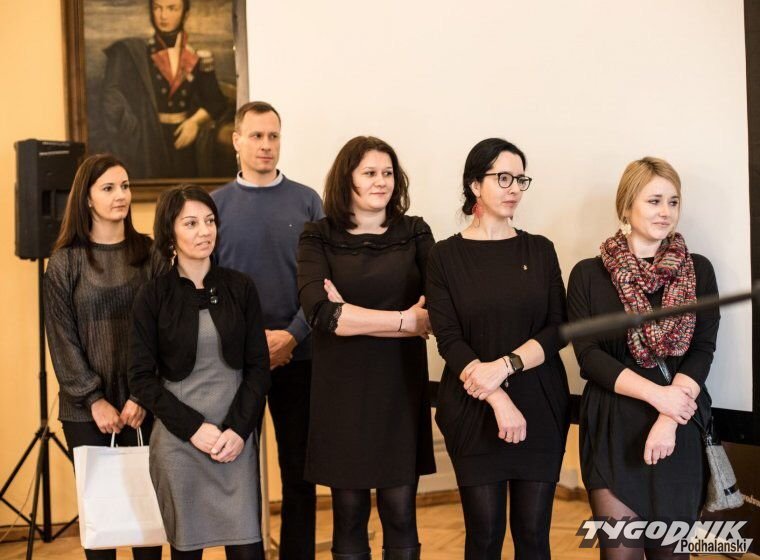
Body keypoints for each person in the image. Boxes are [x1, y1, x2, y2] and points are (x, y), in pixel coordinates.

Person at [567, 157, 719, 559]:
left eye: (673, 201)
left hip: (678, 426)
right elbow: (588, 357)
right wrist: (658, 396)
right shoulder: (587, 275)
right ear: (626, 205)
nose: (665, 211)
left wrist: (668, 417)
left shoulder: (698, 271)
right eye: (654, 201)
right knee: (620, 554)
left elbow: (702, 349)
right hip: (612, 427)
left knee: (672, 554)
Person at [425, 138, 570, 560]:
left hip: (541, 404)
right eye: (503, 178)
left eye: (520, 179)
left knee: (533, 536)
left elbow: (558, 330)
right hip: (473, 407)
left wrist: (505, 366)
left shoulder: (539, 249)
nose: (514, 189)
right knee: (485, 536)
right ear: (475, 184)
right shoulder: (444, 256)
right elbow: (449, 338)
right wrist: (498, 397)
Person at [297, 136, 436, 560]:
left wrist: (353, 318)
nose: (381, 182)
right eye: (370, 173)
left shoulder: (415, 232)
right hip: (342, 392)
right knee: (349, 514)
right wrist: (403, 321)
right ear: (347, 179)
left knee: (400, 512)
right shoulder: (317, 236)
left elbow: (434, 315)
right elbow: (322, 315)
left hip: (399, 389)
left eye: (388, 173)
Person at [129, 185, 270, 559]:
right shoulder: (153, 296)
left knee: (248, 550)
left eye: (209, 221)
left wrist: (238, 430)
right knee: (187, 552)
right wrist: (193, 428)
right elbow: (141, 378)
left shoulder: (240, 287)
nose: (204, 231)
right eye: (191, 223)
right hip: (180, 443)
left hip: (235, 440)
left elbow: (259, 367)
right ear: (170, 233)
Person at [212, 101, 324, 559]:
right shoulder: (215, 206)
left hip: (301, 355)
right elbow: (209, 287)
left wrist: (292, 335)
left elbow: (322, 282)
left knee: (300, 471)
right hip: (238, 362)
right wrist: (253, 343)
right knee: (236, 471)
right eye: (256, 135)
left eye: (273, 136)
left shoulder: (307, 201)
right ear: (236, 140)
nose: (265, 145)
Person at [44, 153, 162, 560]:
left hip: (143, 405)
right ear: (87, 198)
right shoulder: (65, 262)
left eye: (125, 186)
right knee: (103, 530)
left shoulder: (150, 254)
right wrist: (94, 399)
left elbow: (164, 331)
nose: (121, 195)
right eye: (109, 188)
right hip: (85, 413)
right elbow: (61, 338)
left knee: (147, 529)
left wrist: (142, 395)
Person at [101, 0, 229, 179]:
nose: (163, 16)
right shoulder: (139, 55)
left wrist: (194, 122)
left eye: (172, 8)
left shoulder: (197, 57)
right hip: (151, 138)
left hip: (184, 139)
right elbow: (115, 96)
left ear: (185, 13)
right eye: (157, 8)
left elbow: (216, 101)